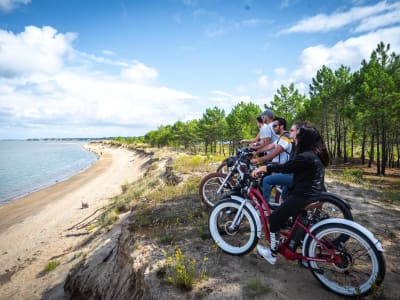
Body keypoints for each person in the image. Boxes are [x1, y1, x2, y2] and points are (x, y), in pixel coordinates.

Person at [251, 125, 329, 265]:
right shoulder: (314, 154)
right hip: (313, 194)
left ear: (303, 138)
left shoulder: (305, 156)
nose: (294, 137)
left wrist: (265, 167)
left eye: (297, 135)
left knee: (274, 219)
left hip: (304, 195)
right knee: (299, 222)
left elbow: (286, 167)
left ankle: (272, 253)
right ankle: (304, 253)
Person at [257, 121, 302, 206]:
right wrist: (256, 151)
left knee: (267, 180)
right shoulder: (290, 141)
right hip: (289, 170)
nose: (289, 132)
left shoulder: (287, 138)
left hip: (292, 173)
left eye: (292, 130)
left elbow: (274, 153)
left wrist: (260, 162)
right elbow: (271, 146)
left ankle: (264, 208)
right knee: (284, 197)